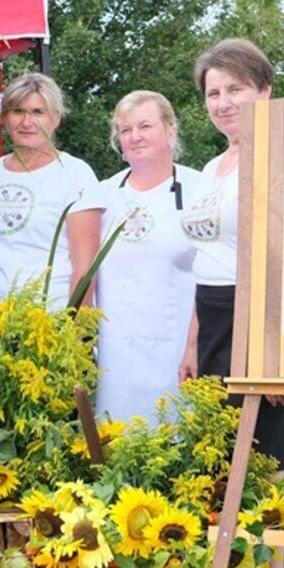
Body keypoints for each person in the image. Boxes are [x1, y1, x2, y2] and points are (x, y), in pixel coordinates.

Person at [178, 38, 284, 568]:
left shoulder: (277, 159)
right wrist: (194, 341)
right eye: (213, 92)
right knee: (223, 465)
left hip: (259, 320)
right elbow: (209, 259)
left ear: (264, 91)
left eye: (235, 89)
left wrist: (279, 351)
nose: (222, 102)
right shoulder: (212, 167)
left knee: (266, 471)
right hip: (214, 321)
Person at [0, 72, 104, 332]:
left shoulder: (75, 174)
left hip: (49, 326)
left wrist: (73, 333)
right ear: (5, 118)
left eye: (38, 112)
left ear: (55, 118)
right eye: (17, 111)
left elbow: (85, 266)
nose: (26, 122)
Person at [94, 91, 201, 421]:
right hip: (113, 353)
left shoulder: (201, 189)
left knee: (174, 437)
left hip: (178, 349)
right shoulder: (101, 195)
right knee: (112, 438)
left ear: (170, 130)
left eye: (145, 126)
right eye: (125, 130)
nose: (135, 137)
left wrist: (195, 345)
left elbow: (215, 274)